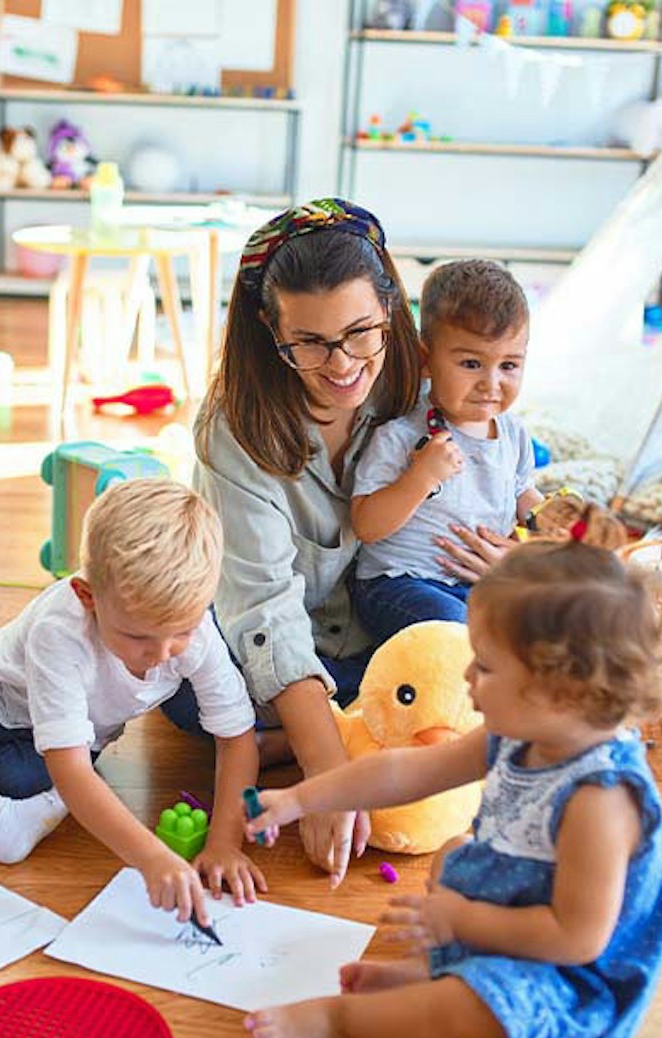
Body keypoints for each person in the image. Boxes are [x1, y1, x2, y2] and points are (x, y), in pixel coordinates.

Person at [242, 517, 662, 1038]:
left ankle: (339, 1019)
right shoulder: (523, 732)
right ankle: (434, 974)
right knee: (454, 854)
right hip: (518, 915)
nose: (468, 676)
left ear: (561, 689)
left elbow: (577, 940)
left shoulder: (600, 800)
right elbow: (406, 771)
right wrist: (300, 798)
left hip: (571, 981)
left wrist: (459, 918)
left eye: (487, 666)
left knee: (468, 1010)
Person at [169, 197, 429, 888]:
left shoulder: (421, 382)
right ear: (269, 327)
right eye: (309, 342)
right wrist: (327, 767)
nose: (341, 363)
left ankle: (301, 734)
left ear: (389, 306)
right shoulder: (237, 423)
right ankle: (347, 727)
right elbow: (259, 606)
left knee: (459, 643)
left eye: (359, 332)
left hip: (377, 633)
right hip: (284, 645)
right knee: (184, 687)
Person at [0, 478, 264, 925]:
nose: (162, 653)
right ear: (87, 596)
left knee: (21, 779)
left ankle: (14, 801)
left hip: (69, 734)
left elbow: (237, 738)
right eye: (137, 637)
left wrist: (225, 842)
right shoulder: (60, 630)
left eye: (184, 631)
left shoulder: (197, 638)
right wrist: (151, 857)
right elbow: (70, 770)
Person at [350, 259, 543, 641]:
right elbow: (366, 526)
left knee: (549, 619)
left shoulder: (513, 434)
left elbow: (523, 493)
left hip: (480, 586)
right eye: (471, 363)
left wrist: (548, 522)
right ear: (426, 361)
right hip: (400, 583)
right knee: (451, 627)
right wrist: (419, 478)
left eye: (509, 365)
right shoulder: (403, 434)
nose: (491, 383)